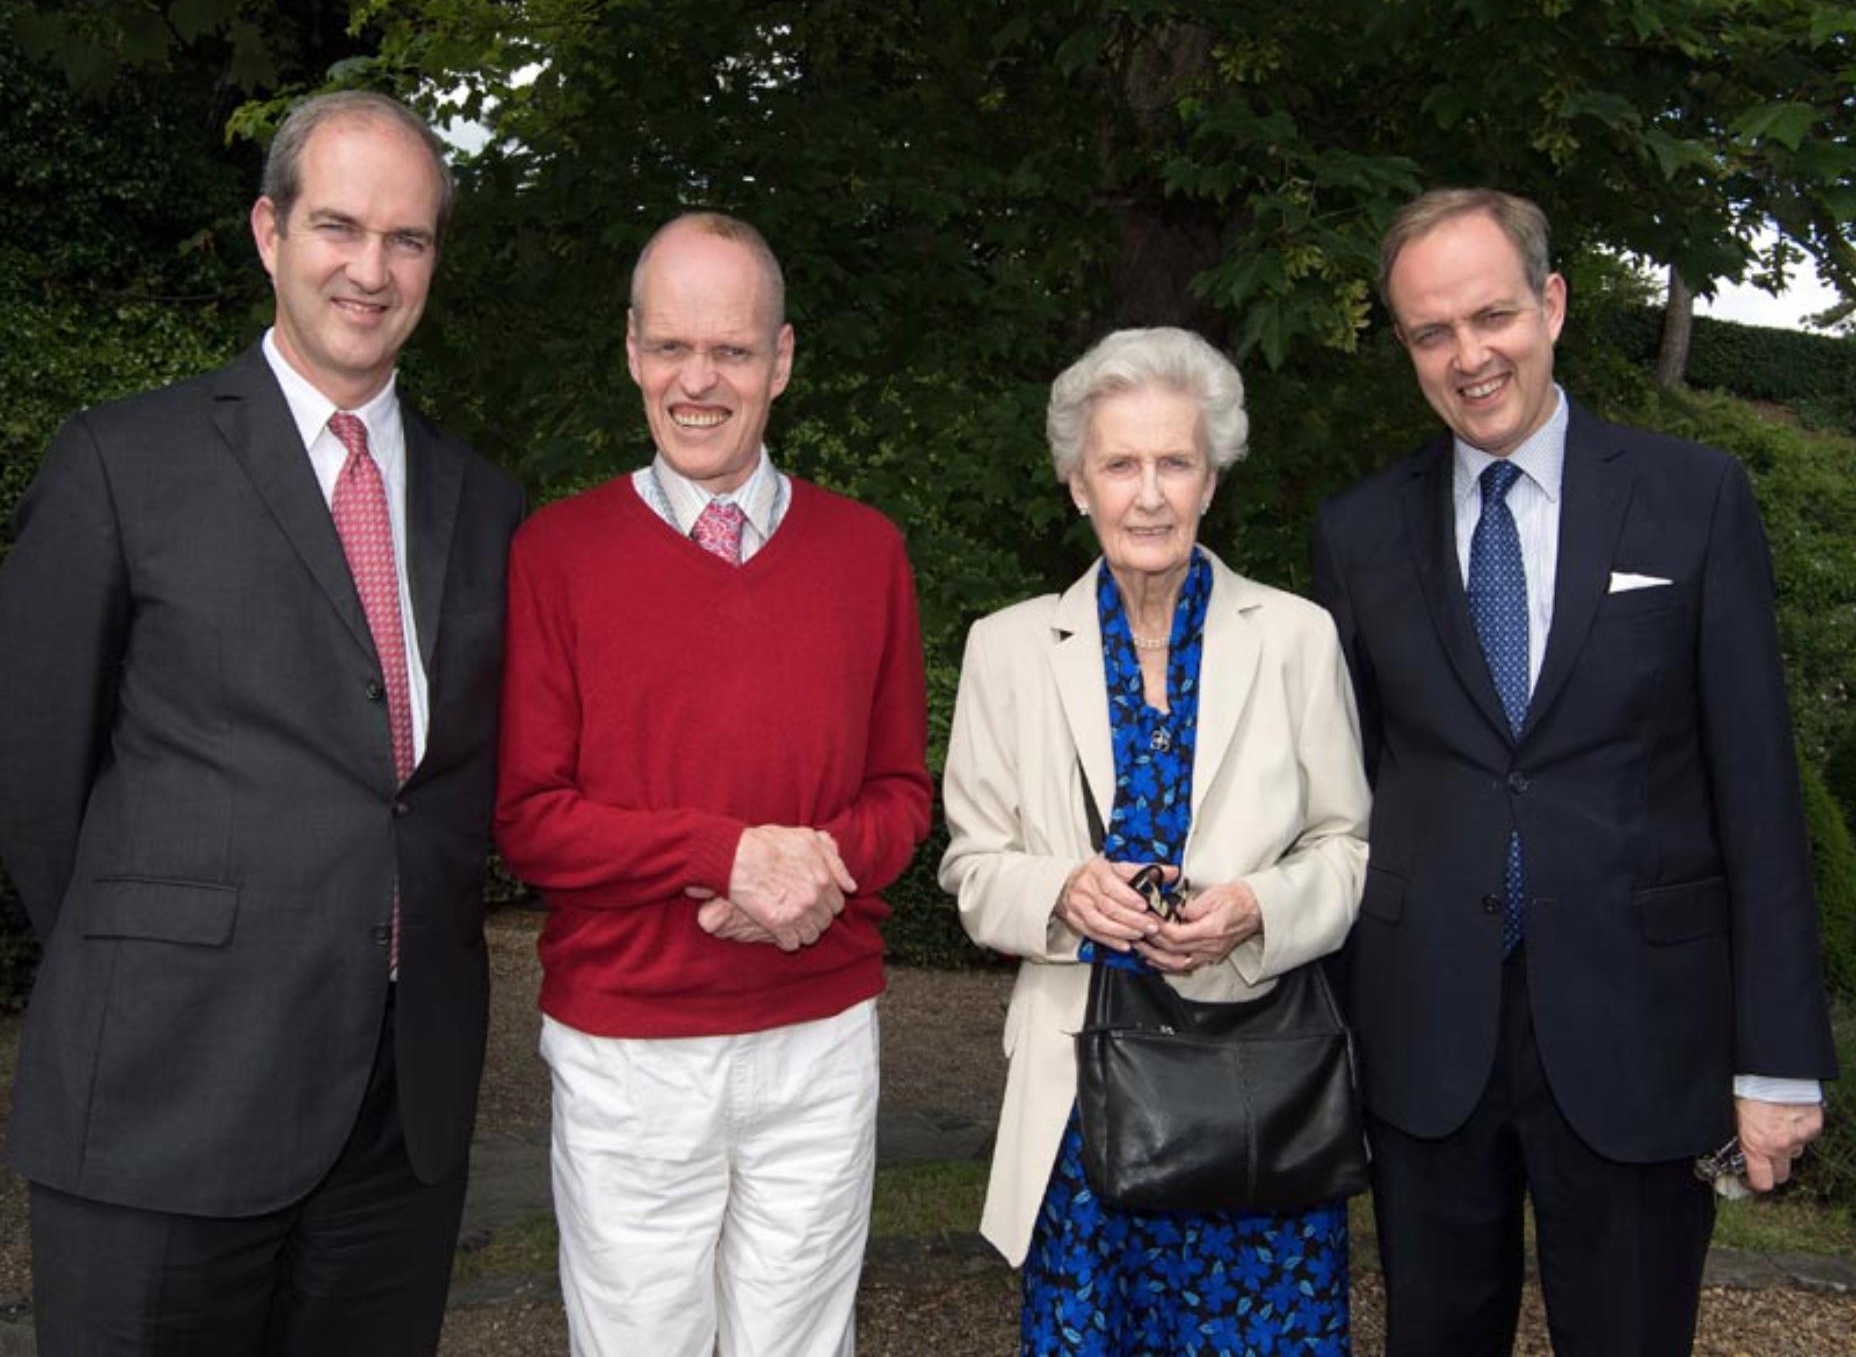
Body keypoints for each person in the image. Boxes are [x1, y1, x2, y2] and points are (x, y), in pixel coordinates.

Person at [0, 90, 524, 1352]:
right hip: (164, 1096)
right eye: (338, 226)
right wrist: (164, 957)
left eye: (408, 238)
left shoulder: (485, 502)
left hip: (399, 1117)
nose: (371, 267)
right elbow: (31, 772)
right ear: (267, 232)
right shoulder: (122, 462)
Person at [1310, 187, 1837, 1356]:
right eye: (1429, 333)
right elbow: (1341, 795)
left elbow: (1758, 795)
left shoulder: (1693, 498)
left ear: (1549, 304)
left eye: (1489, 315)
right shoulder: (1353, 533)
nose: (1467, 355)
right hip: (1423, 1034)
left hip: (1640, 1029)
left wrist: (1778, 1059)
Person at [494, 210, 932, 1357]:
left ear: (779, 361)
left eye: (731, 351)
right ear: (632, 350)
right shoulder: (556, 553)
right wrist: (725, 856)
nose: (699, 381)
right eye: (671, 348)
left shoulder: (865, 552)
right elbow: (530, 820)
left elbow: (900, 792)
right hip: (628, 1054)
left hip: (819, 1038)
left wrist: (806, 875)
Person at [940, 326, 1371, 1354]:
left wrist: (1255, 908)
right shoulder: (1005, 649)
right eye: (1117, 464)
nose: (1146, 493)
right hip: (1079, 1105)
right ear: (1075, 483)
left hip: (1256, 1094)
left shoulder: (1295, 637)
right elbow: (968, 867)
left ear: (1210, 480)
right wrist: (1059, 891)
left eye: (1173, 462)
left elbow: (1347, 848)